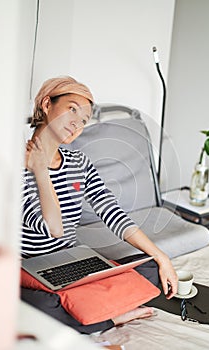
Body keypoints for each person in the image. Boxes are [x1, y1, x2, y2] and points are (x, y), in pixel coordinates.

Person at [21, 76, 178, 336]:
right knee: (38, 307)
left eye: (84, 120)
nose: (77, 124)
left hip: (70, 262)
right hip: (27, 269)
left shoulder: (79, 162)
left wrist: (163, 257)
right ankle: (110, 318)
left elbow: (111, 212)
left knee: (149, 267)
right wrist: (40, 169)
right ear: (47, 104)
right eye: (72, 109)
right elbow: (53, 229)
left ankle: (89, 306)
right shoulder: (15, 161)